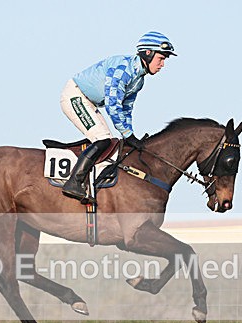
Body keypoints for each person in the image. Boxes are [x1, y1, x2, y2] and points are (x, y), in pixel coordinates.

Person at [60, 31, 176, 201]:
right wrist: (128, 135)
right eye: (161, 58)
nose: (162, 64)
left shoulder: (139, 80)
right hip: (75, 96)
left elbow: (126, 108)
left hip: (89, 101)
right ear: (148, 53)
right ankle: (73, 182)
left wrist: (128, 133)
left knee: (109, 141)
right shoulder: (123, 70)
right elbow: (113, 105)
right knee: (102, 139)